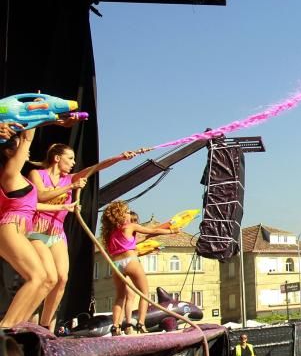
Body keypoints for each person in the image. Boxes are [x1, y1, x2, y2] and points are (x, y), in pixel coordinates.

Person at [28, 144, 138, 331]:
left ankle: (45, 325)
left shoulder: (70, 178)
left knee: (62, 279)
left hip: (56, 233)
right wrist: (71, 187)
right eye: (70, 158)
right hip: (37, 231)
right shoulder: (37, 175)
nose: (73, 163)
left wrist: (121, 157)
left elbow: (96, 168)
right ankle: (29, 320)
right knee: (49, 278)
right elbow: (41, 196)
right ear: (56, 158)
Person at [0, 128, 76, 327]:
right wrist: (39, 115)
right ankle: (6, 327)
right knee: (37, 277)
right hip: (11, 226)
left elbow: (33, 204)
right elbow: (26, 138)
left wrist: (62, 206)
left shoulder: (21, 180)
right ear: (9, 152)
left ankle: (19, 326)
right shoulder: (10, 173)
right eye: (20, 148)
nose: (27, 151)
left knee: (48, 280)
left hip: (19, 228)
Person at [99, 201, 175, 335]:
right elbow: (153, 230)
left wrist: (152, 235)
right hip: (131, 261)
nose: (129, 214)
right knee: (144, 293)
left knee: (119, 297)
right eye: (127, 212)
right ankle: (141, 323)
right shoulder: (130, 226)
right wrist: (171, 231)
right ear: (121, 215)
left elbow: (135, 241)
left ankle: (115, 326)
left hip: (117, 265)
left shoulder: (110, 233)